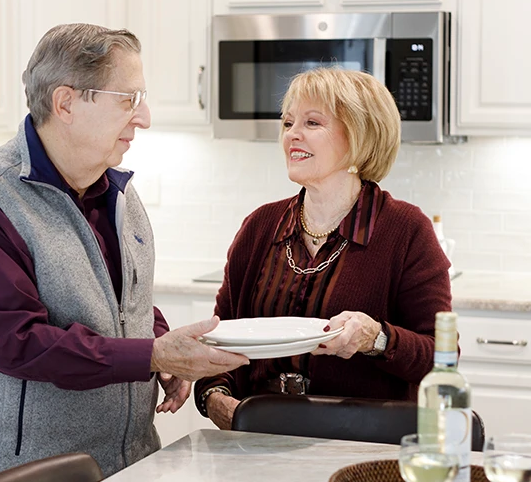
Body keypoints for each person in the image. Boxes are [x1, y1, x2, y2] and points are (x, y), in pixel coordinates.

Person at [0, 23, 247, 482]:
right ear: (66, 104)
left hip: (128, 468)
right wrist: (152, 353)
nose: (144, 117)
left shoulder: (115, 188)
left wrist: (159, 347)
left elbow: (123, 302)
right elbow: (19, 342)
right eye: (129, 99)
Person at [194, 67, 452, 430]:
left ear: (360, 136)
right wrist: (214, 399)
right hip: (258, 436)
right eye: (287, 123)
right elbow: (219, 337)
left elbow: (441, 356)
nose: (292, 136)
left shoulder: (406, 230)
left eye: (312, 123)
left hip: (359, 442)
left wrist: (376, 338)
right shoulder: (261, 226)